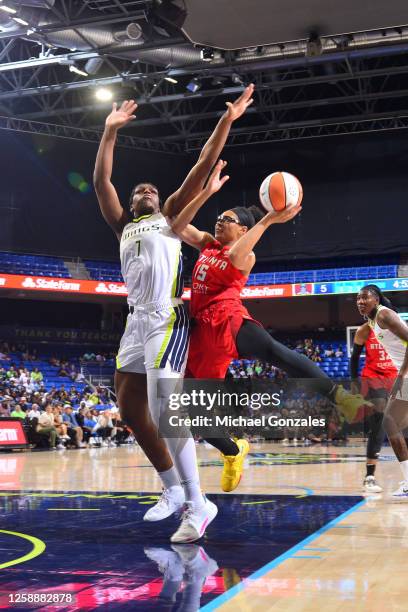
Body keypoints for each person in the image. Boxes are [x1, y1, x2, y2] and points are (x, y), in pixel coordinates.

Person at [93, 86, 254, 542]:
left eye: (152, 188)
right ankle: (171, 489)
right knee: (129, 407)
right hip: (134, 320)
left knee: (166, 410)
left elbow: (202, 163)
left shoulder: (169, 216)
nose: (147, 190)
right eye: (139, 189)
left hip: (167, 317)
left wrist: (227, 121)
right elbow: (103, 181)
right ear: (131, 201)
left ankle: (198, 503)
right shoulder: (122, 223)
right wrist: (109, 133)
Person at [171, 167, 374, 491]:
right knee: (195, 413)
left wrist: (267, 219)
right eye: (219, 218)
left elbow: (237, 253)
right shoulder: (207, 245)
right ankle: (233, 452)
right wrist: (206, 192)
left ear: (243, 229)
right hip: (200, 337)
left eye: (227, 219)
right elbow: (176, 224)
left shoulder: (245, 255)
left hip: (228, 318)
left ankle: (340, 397)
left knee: (275, 352)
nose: (219, 222)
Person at [356, 284, 408, 498]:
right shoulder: (371, 320)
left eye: (365, 298)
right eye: (358, 299)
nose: (360, 302)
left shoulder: (384, 315)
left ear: (376, 300)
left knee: (389, 421)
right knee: (397, 424)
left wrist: (402, 374)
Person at [350, 321, 398, 493]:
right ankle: (369, 477)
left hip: (395, 376)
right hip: (373, 376)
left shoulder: (397, 327)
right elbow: (355, 358)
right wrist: (354, 381)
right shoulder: (364, 330)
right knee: (379, 421)